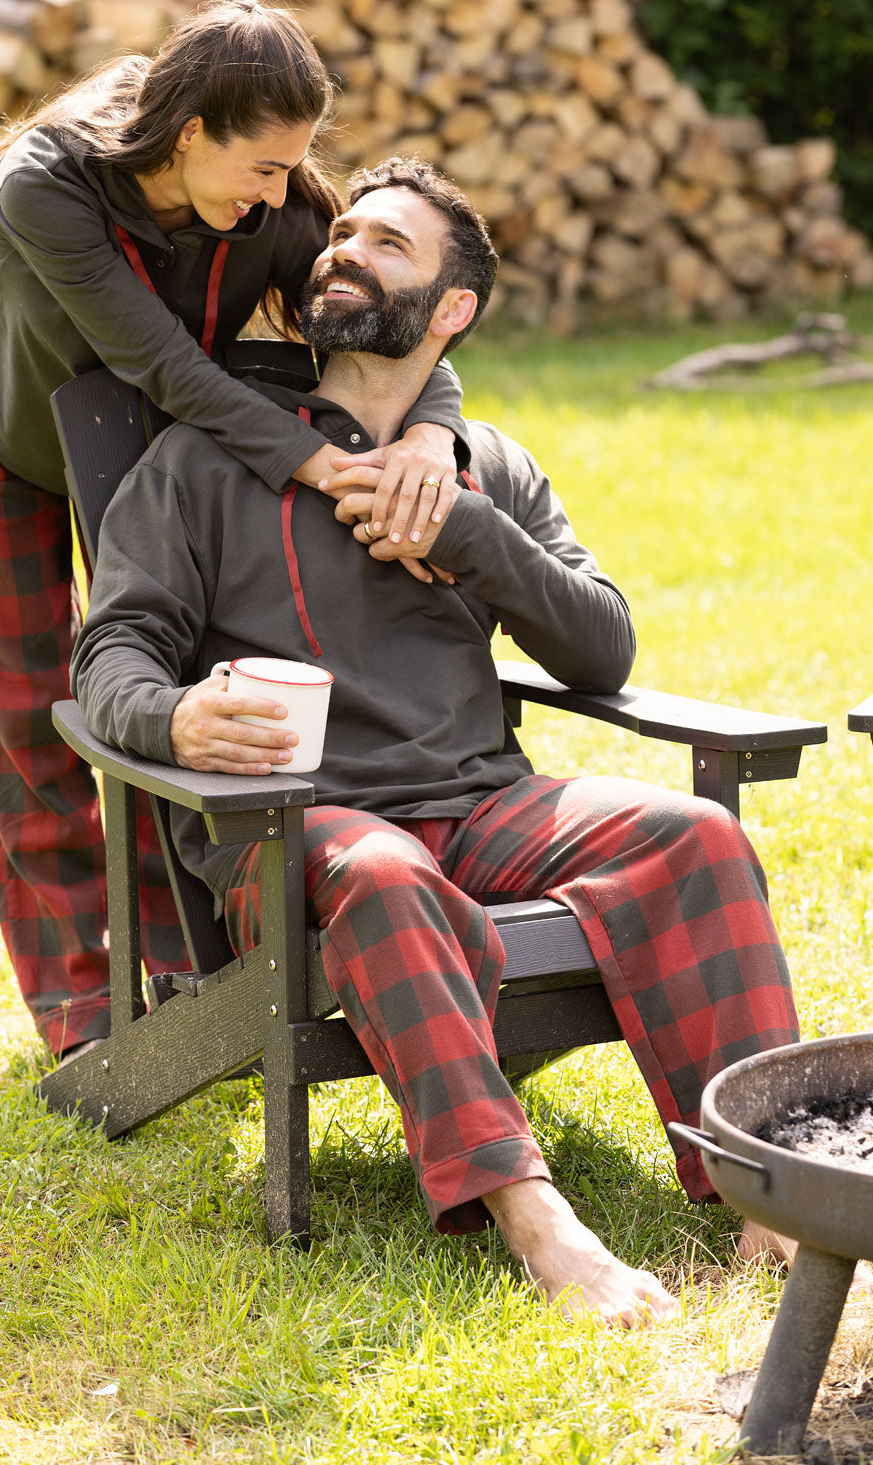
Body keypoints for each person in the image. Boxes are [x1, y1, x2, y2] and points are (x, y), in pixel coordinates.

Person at [71, 156, 803, 1327]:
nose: (341, 250)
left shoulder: (486, 464)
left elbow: (601, 647)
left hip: (480, 804)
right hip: (295, 834)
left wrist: (470, 526)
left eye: (386, 243)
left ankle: (774, 1193)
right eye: (340, 232)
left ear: (451, 311)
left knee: (697, 836)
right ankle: (532, 1215)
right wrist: (174, 716)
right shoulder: (208, 456)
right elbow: (109, 655)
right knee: (382, 868)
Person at [0, 0, 467, 1059]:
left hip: (151, 455)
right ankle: (80, 1006)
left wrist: (432, 437)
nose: (281, 194)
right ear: (187, 134)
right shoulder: (48, 180)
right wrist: (318, 460)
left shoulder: (279, 207)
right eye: (260, 167)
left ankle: (181, 977)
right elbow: (161, 363)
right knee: (33, 714)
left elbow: (389, 324)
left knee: (173, 689)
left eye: (291, 168)